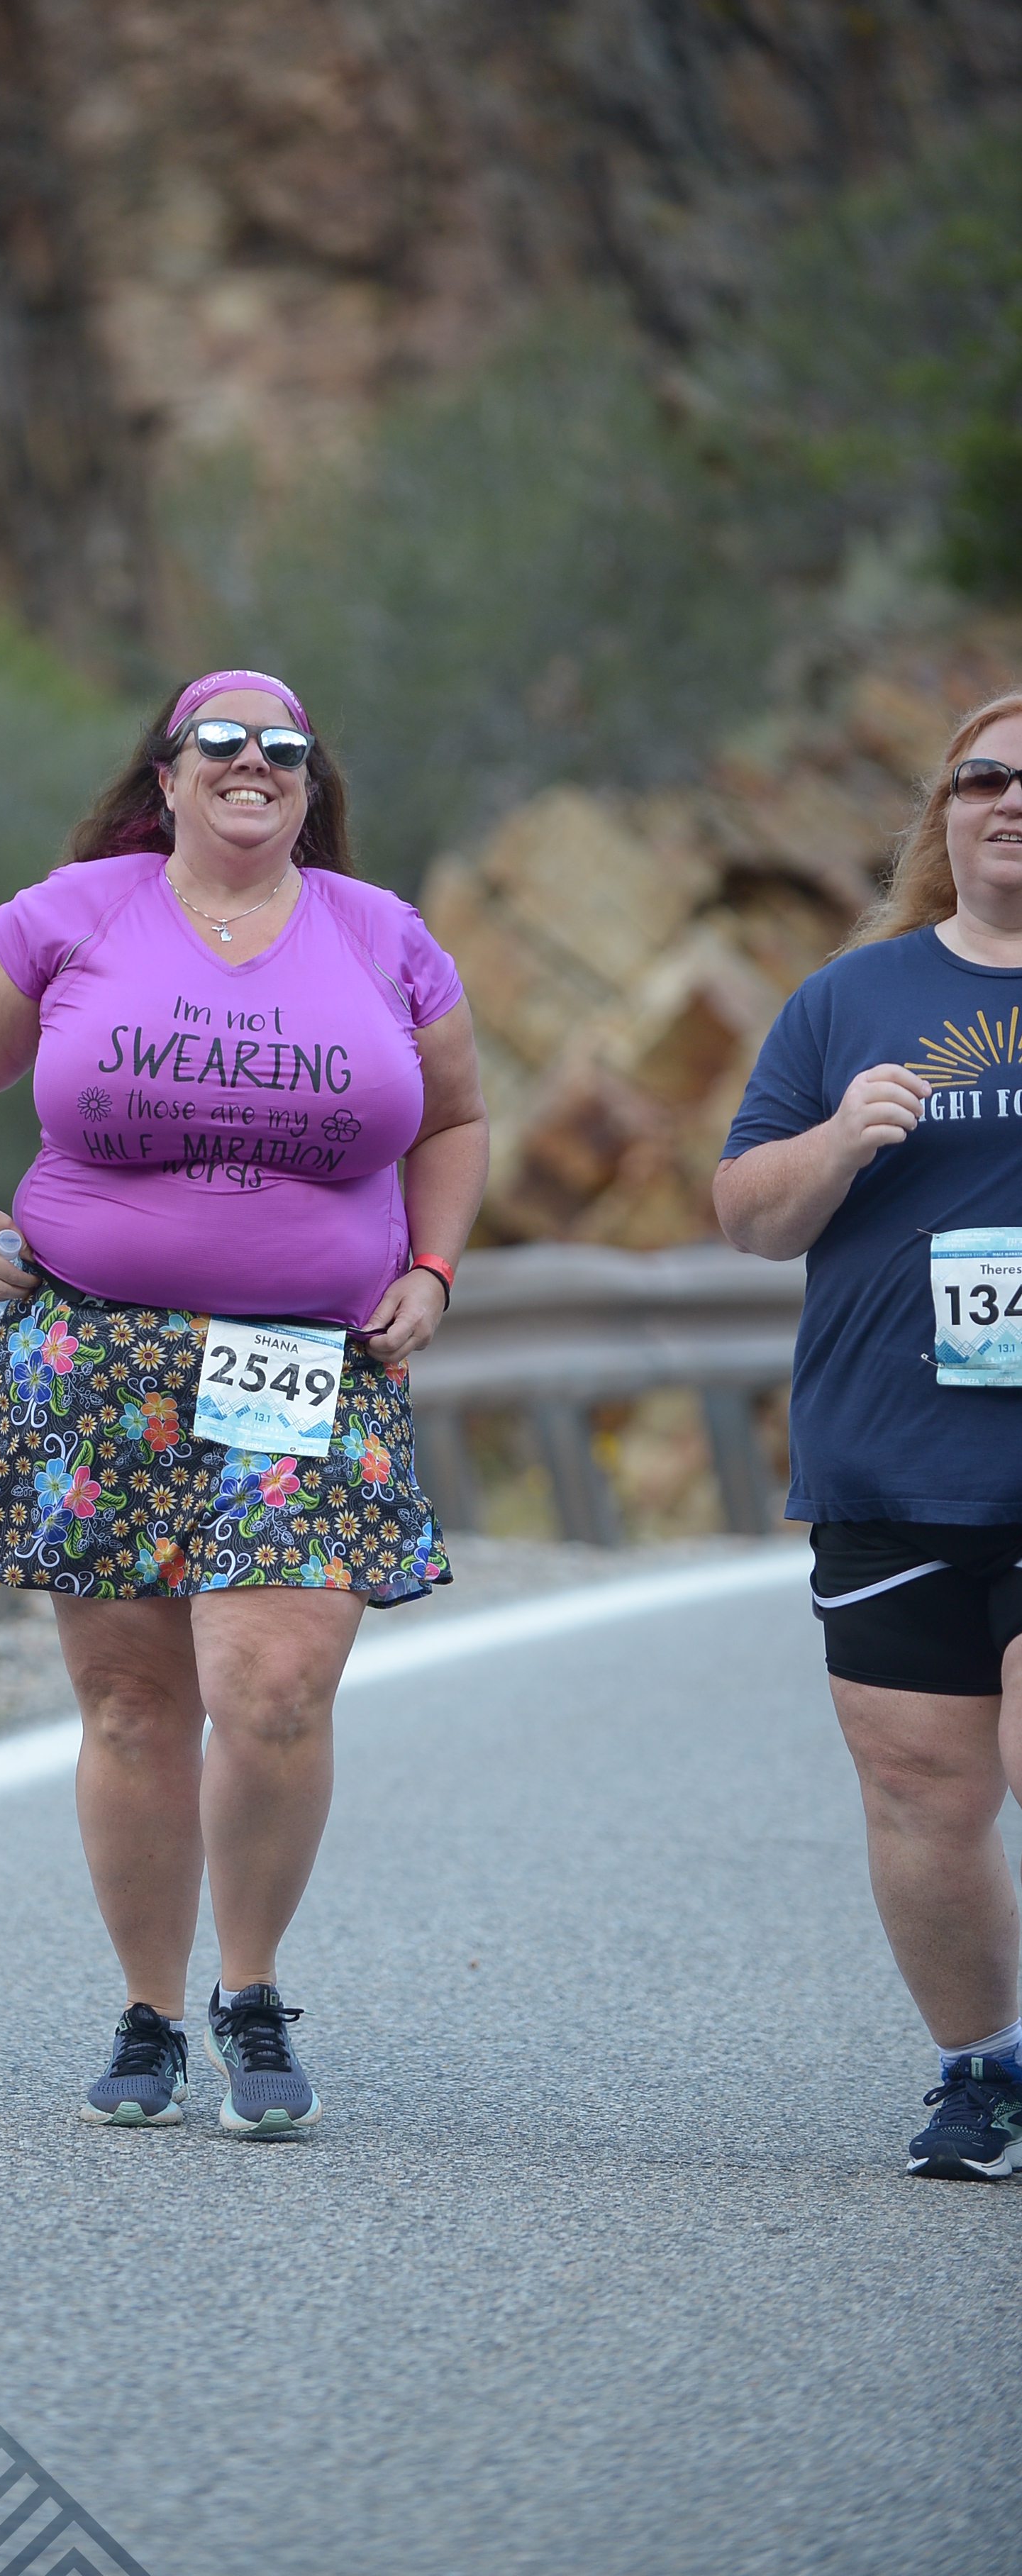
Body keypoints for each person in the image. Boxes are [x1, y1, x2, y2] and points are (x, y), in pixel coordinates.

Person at [0, 668, 487, 2136]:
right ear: (165, 776)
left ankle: (252, 1992)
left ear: (309, 784)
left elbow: (459, 1118)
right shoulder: (74, 914)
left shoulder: (383, 936)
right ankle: (148, 2014)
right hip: (99, 1360)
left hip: (303, 1362)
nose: (252, 762)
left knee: (274, 1687)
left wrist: (431, 1266)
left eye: (283, 748)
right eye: (219, 741)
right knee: (132, 1703)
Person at [716, 689, 1022, 2180]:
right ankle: (983, 2071)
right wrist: (838, 1140)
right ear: (943, 815)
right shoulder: (846, 1002)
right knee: (919, 1789)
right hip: (892, 1457)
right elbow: (745, 1217)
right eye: (984, 778)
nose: (1011, 801)